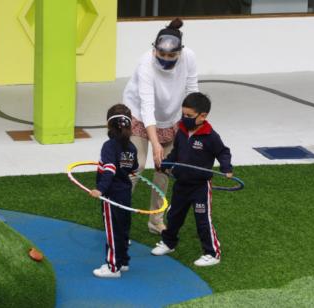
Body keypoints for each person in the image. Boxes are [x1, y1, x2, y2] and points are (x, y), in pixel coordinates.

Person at [123, 17, 199, 235]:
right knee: (135, 166)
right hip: (139, 114)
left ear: (180, 52)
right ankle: (119, 218)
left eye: (171, 55)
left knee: (163, 169)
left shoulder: (189, 57)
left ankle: (155, 220)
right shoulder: (145, 63)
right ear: (154, 49)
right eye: (161, 54)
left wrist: (191, 127)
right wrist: (155, 143)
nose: (166, 59)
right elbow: (147, 106)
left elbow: (192, 90)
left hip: (171, 115)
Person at [151, 93, 233, 267]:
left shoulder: (210, 136)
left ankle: (212, 253)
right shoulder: (181, 131)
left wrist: (226, 167)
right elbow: (176, 153)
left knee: (203, 219)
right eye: (183, 115)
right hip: (181, 184)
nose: (184, 119)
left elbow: (223, 152)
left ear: (202, 116)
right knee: (174, 216)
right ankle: (169, 243)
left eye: (189, 116)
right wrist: (166, 163)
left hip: (200, 187)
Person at [90, 104, 139, 278]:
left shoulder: (109, 146)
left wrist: (100, 189)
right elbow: (134, 168)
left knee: (112, 230)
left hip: (111, 195)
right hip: (125, 193)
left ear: (108, 125)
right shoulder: (132, 147)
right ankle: (123, 261)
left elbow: (109, 169)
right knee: (123, 228)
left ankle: (112, 267)